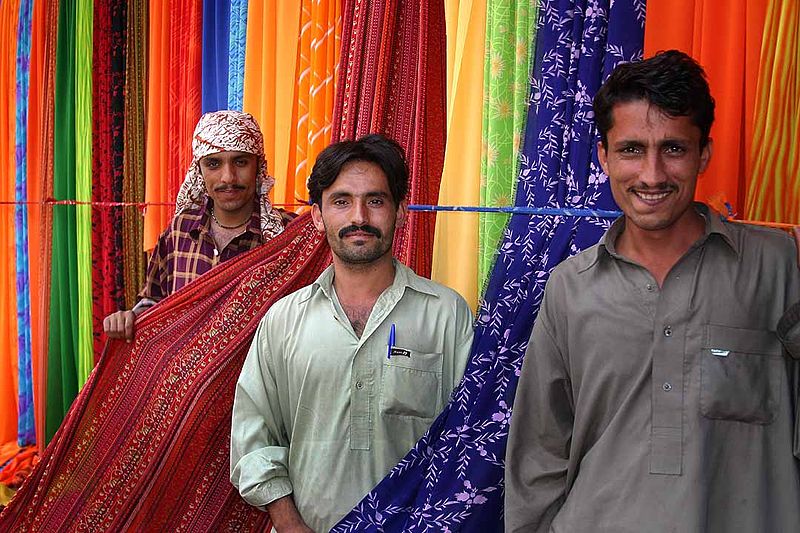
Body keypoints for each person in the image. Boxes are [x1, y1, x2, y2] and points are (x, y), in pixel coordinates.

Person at [505, 50, 800, 532]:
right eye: (631, 149)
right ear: (602, 155)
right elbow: (538, 455)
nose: (652, 175)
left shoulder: (776, 265)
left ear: (704, 152)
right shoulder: (570, 288)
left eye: (674, 149)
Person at [230, 134, 474, 532]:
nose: (359, 216)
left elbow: (465, 441)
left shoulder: (446, 316)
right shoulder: (284, 320)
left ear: (401, 211)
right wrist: (291, 526)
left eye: (375, 200)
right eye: (342, 201)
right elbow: (253, 437)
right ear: (317, 215)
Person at [103, 110, 287, 340]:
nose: (228, 177)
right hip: (185, 376)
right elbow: (155, 302)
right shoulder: (180, 231)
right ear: (199, 171)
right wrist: (129, 318)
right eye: (213, 164)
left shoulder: (286, 234)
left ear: (258, 166)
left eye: (240, 162)